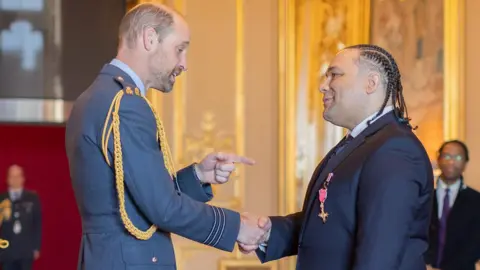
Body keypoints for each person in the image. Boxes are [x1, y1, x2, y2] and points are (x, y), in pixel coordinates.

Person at [65, 3, 267, 269]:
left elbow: (135, 199)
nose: (183, 64)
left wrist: (197, 176)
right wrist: (238, 227)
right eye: (179, 49)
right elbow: (162, 208)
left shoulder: (95, 96)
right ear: (150, 39)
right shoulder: (126, 104)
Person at [238, 44, 434, 270]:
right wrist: (268, 232)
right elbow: (333, 221)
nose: (323, 86)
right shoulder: (363, 142)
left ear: (370, 83)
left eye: (334, 75)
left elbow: (379, 258)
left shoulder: (394, 149)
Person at [425, 140, 480, 270]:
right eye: (447, 156)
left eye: (458, 157)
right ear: (439, 159)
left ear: (465, 163)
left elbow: (476, 244)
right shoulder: (425, 197)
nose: (451, 162)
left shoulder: (476, 200)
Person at [0, 165, 42, 270]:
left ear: (23, 178)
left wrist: (36, 247)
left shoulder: (33, 198)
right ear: (7, 179)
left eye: (18, 176)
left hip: (26, 250)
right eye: (12, 176)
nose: (15, 179)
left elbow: (37, 224)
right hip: (6, 251)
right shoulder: (1, 199)